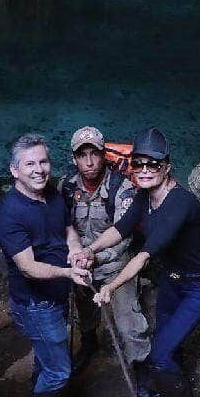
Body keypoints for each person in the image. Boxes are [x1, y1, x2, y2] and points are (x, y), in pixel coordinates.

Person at [76, 127, 200, 397]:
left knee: (159, 355)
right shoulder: (144, 197)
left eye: (152, 165)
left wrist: (110, 287)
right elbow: (120, 228)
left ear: (167, 167)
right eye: (138, 164)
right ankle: (170, 378)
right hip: (174, 278)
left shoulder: (179, 203)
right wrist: (90, 250)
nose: (144, 171)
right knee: (164, 342)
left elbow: (143, 257)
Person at [0, 133, 92, 397]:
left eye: (43, 161)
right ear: (14, 171)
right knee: (58, 370)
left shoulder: (53, 194)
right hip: (36, 304)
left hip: (56, 296)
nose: (39, 170)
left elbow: (67, 231)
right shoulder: (9, 214)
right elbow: (28, 267)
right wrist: (68, 272)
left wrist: (76, 252)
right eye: (30, 164)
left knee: (48, 361)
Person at [58, 127, 152, 383]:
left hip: (116, 266)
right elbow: (64, 226)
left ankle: (143, 372)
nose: (88, 162)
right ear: (73, 158)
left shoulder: (121, 188)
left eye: (94, 154)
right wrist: (75, 254)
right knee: (83, 311)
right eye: (82, 155)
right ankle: (89, 343)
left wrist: (96, 257)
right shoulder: (66, 187)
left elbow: (125, 236)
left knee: (128, 323)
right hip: (82, 264)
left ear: (104, 155)